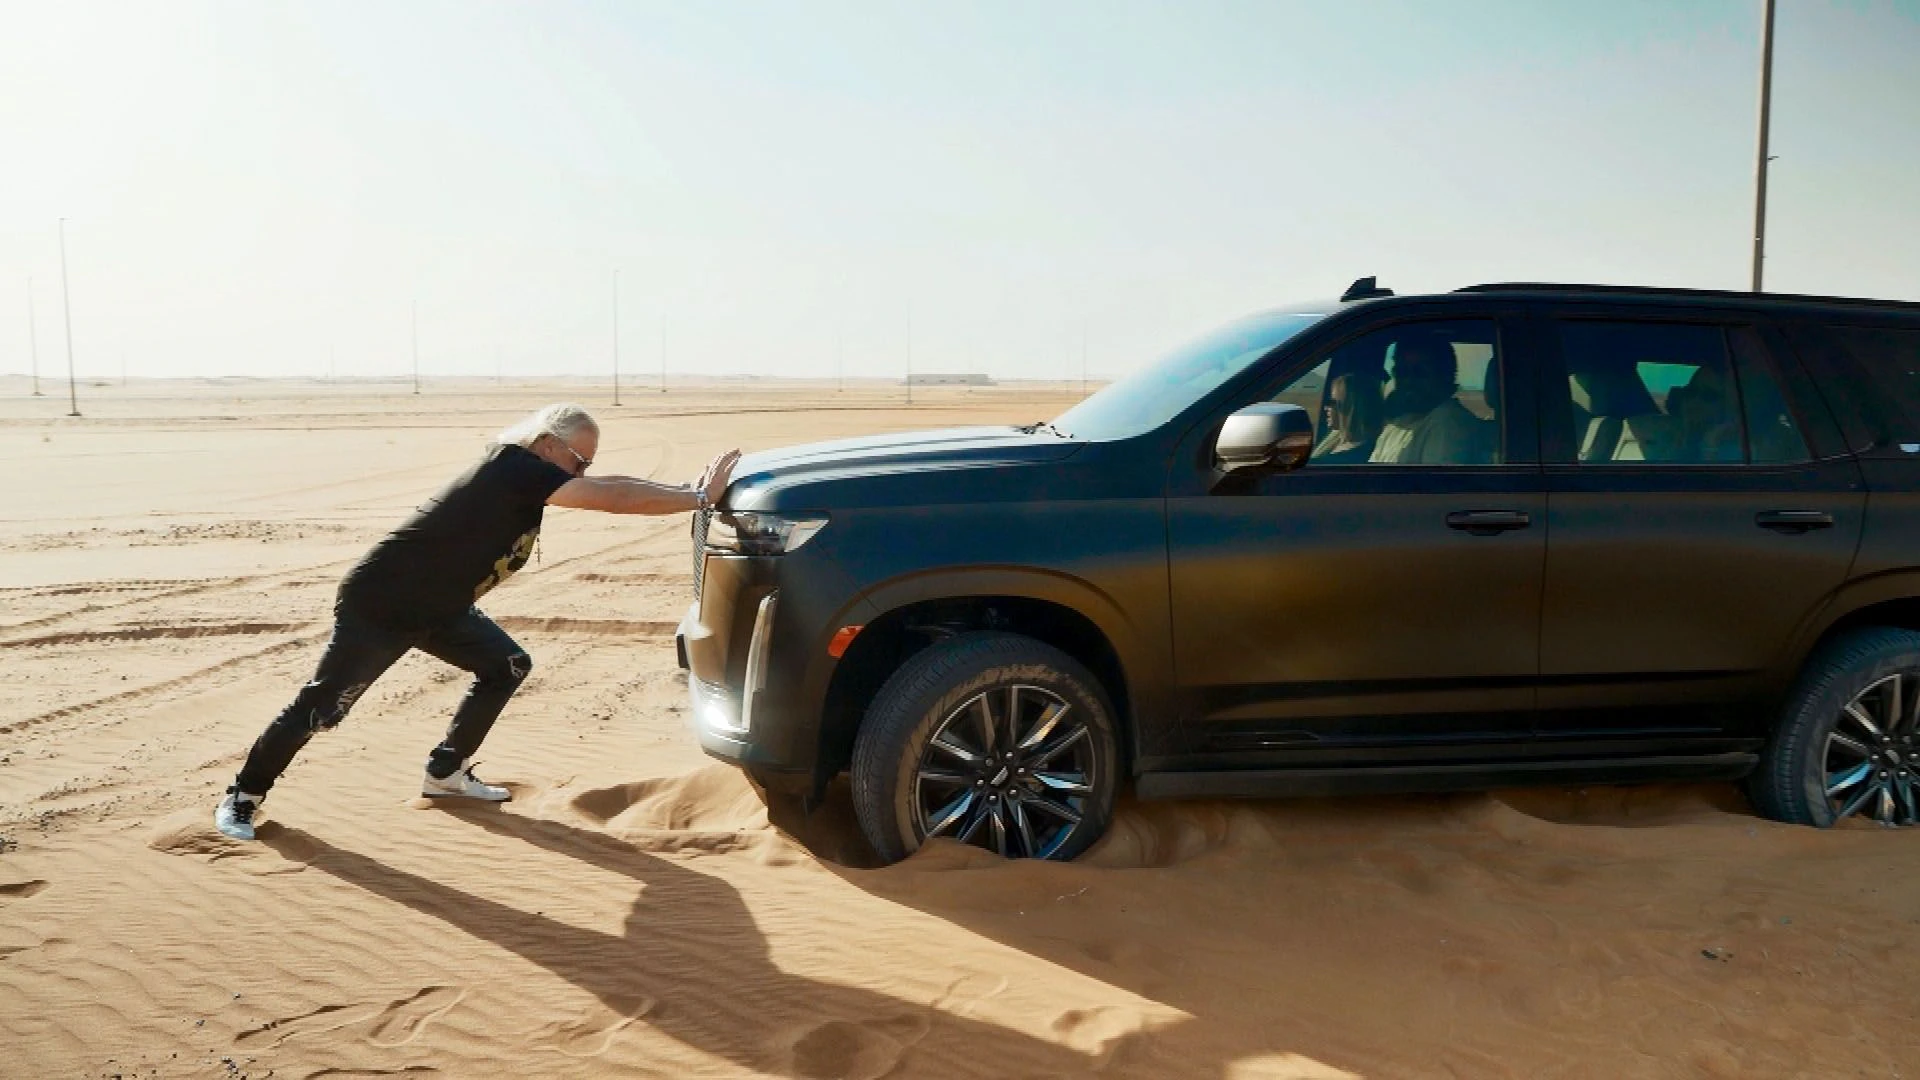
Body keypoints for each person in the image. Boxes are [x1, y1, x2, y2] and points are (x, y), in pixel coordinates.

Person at [214, 403, 740, 841]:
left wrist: (683, 488)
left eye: (584, 465)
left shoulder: (530, 471)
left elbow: (613, 482)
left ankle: (446, 772)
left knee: (506, 665)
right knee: (323, 709)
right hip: (386, 603)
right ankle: (242, 796)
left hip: (439, 607)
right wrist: (695, 499)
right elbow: (611, 497)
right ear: (547, 443)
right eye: (577, 460)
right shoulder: (515, 467)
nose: (579, 473)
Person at [1368, 336, 1492, 465]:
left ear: (1445, 376)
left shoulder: (1447, 423)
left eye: (1420, 373)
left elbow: (1435, 484)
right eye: (1402, 372)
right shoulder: (1399, 423)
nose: (1409, 381)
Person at [1312, 370, 1386, 462]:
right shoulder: (1335, 439)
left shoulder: (1358, 456)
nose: (1326, 407)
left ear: (1351, 408)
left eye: (1332, 402)